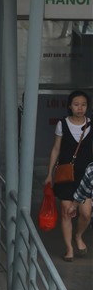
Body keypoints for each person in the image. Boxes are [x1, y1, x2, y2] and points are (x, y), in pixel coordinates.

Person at [43, 90, 92, 262]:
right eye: (76, 104)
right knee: (66, 211)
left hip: (86, 178)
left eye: (83, 104)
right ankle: (69, 248)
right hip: (65, 175)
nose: (80, 108)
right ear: (70, 106)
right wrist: (49, 173)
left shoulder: (91, 125)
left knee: (85, 213)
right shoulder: (62, 124)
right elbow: (56, 149)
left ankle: (78, 236)